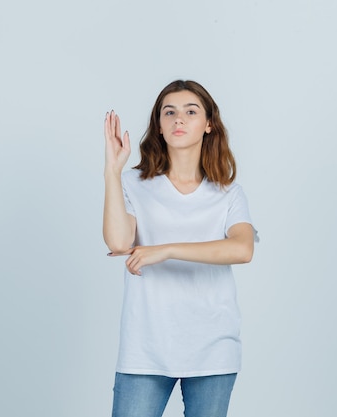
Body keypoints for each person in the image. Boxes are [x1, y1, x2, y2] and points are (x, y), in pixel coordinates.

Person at [103, 80, 257, 417]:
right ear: (158, 125)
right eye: (168, 112)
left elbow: (242, 249)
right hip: (145, 347)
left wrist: (166, 249)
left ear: (208, 124)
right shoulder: (133, 184)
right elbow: (118, 242)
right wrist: (112, 171)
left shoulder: (227, 193)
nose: (179, 119)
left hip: (213, 347)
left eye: (191, 111)